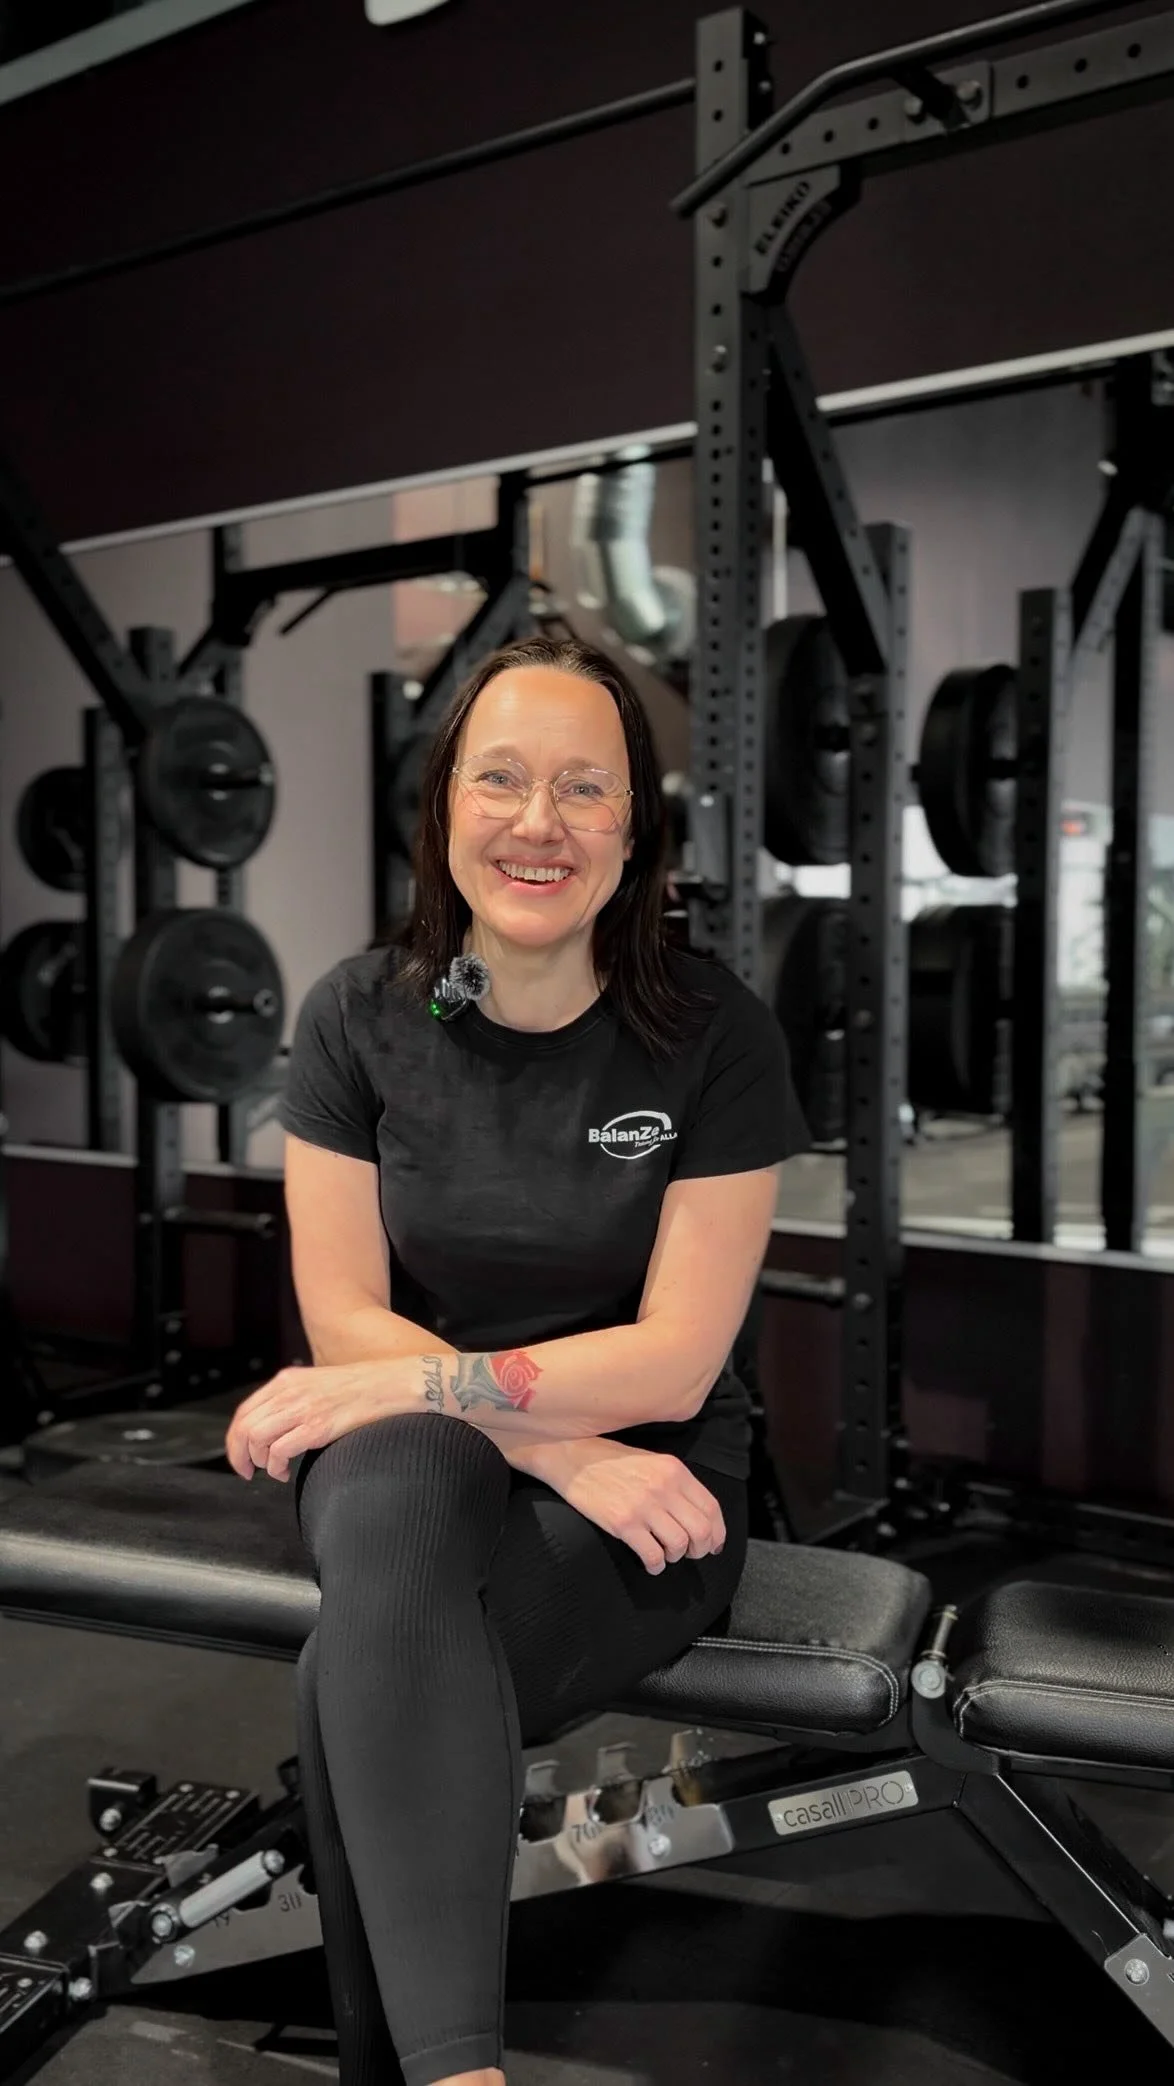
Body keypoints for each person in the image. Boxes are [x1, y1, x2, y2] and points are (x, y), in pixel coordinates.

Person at [224, 635, 809, 2086]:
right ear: (443, 809)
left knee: (359, 1683)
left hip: (658, 1487)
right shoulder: (362, 1015)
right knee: (403, 1485)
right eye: (498, 778)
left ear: (634, 826)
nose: (536, 821)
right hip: (436, 1460)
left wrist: (444, 1397)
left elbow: (673, 1364)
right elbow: (346, 1314)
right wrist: (553, 1441)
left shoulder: (713, 1035)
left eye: (582, 787)